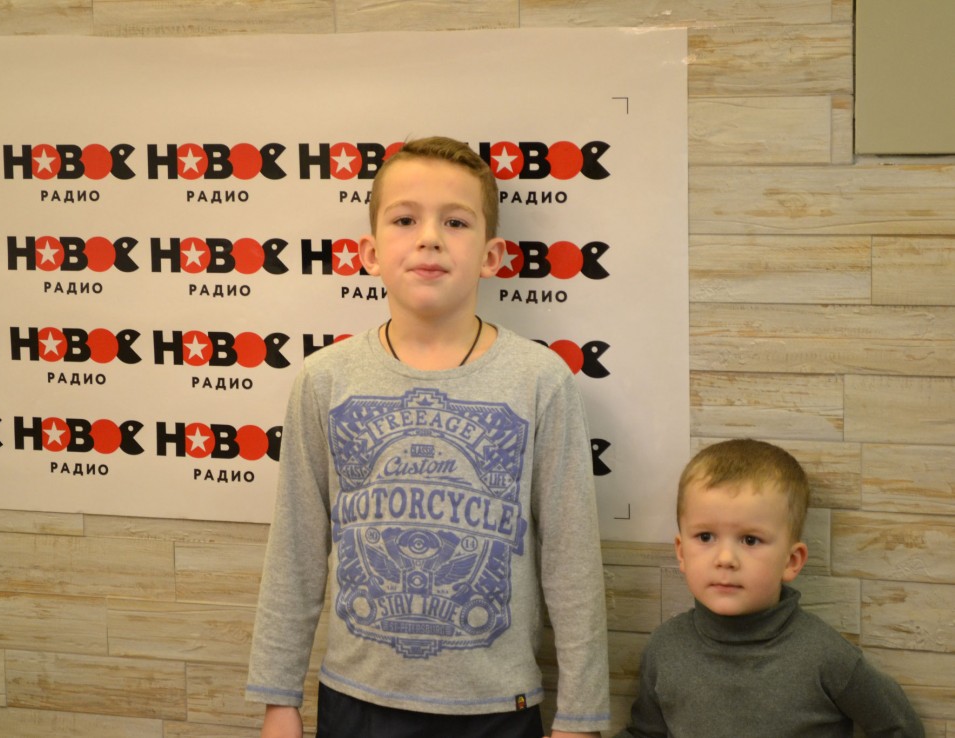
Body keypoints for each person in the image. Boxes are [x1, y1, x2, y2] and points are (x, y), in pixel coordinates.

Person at [245, 136, 610, 738]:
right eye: (405, 219)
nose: (430, 238)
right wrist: (277, 697)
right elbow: (295, 550)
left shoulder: (540, 381)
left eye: (456, 221)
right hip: (356, 700)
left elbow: (572, 563)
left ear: (492, 255)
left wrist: (581, 715)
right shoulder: (324, 380)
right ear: (370, 253)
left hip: (497, 707)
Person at [615, 439, 924, 738]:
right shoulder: (665, 648)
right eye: (706, 537)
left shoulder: (826, 656)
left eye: (750, 540)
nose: (725, 558)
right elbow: (646, 733)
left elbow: (899, 727)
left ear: (791, 561)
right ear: (682, 553)